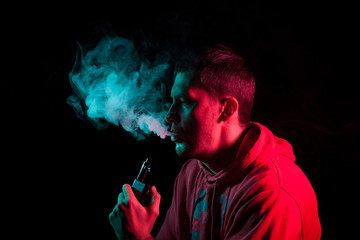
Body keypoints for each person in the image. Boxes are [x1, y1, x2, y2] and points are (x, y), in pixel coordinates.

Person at [109, 45, 322, 239]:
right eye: (173, 101)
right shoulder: (192, 173)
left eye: (184, 102)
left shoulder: (271, 195)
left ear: (226, 109)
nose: (169, 116)